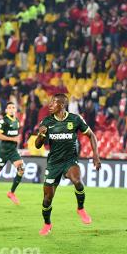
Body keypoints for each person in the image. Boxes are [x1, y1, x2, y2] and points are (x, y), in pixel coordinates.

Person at [35, 93, 101, 236]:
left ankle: (81, 208)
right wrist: (41, 135)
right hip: (53, 164)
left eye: (54, 102)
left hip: (70, 161)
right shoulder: (46, 121)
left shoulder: (75, 119)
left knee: (77, 181)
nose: (50, 105)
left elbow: (92, 135)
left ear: (62, 105)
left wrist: (95, 155)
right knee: (47, 200)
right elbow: (38, 145)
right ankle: (47, 224)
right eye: (50, 102)